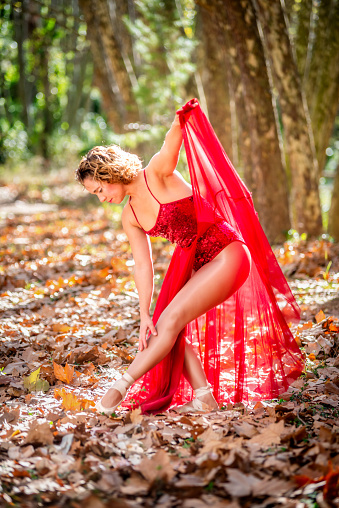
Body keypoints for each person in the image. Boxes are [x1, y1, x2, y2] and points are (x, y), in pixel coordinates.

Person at [76, 99, 304, 415]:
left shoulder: (156, 173)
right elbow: (143, 264)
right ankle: (204, 397)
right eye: (96, 196)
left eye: (100, 190)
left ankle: (118, 390)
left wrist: (181, 117)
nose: (102, 199)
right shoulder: (129, 215)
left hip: (228, 254)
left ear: (110, 172)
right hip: (198, 264)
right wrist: (143, 313)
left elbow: (174, 142)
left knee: (169, 321)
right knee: (163, 325)